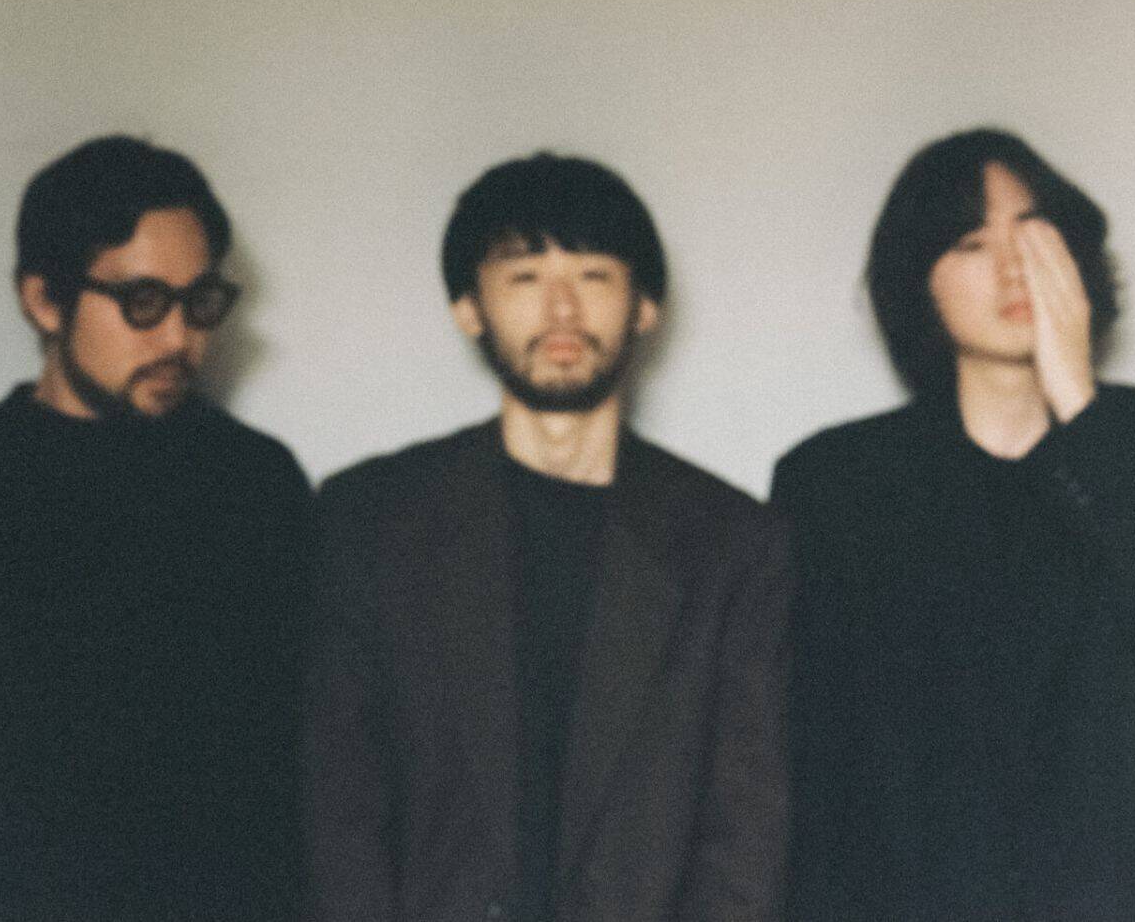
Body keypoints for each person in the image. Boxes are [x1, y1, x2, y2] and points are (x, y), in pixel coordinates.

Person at [772, 128, 1135, 922]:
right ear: (917, 282)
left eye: (1032, 232)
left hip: (1101, 896)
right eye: (970, 242)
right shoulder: (835, 480)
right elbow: (809, 742)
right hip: (894, 896)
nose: (1011, 267)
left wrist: (1077, 401)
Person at [305, 152, 791, 922]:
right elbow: (340, 808)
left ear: (644, 306)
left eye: (594, 275)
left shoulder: (732, 545)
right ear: (469, 308)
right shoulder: (372, 520)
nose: (562, 309)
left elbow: (745, 832)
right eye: (525, 277)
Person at [0, 135, 312, 922]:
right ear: (44, 299)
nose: (178, 337)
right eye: (143, 301)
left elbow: (311, 743)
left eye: (200, 301)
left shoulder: (257, 483)